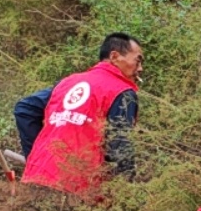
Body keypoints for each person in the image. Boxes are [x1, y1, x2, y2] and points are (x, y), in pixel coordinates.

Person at [18, 35, 142, 195]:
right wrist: (126, 193)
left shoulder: (68, 82)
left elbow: (24, 109)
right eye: (137, 61)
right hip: (78, 188)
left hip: (38, 178)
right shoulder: (122, 92)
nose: (140, 69)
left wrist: (35, 158)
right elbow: (119, 146)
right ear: (114, 57)